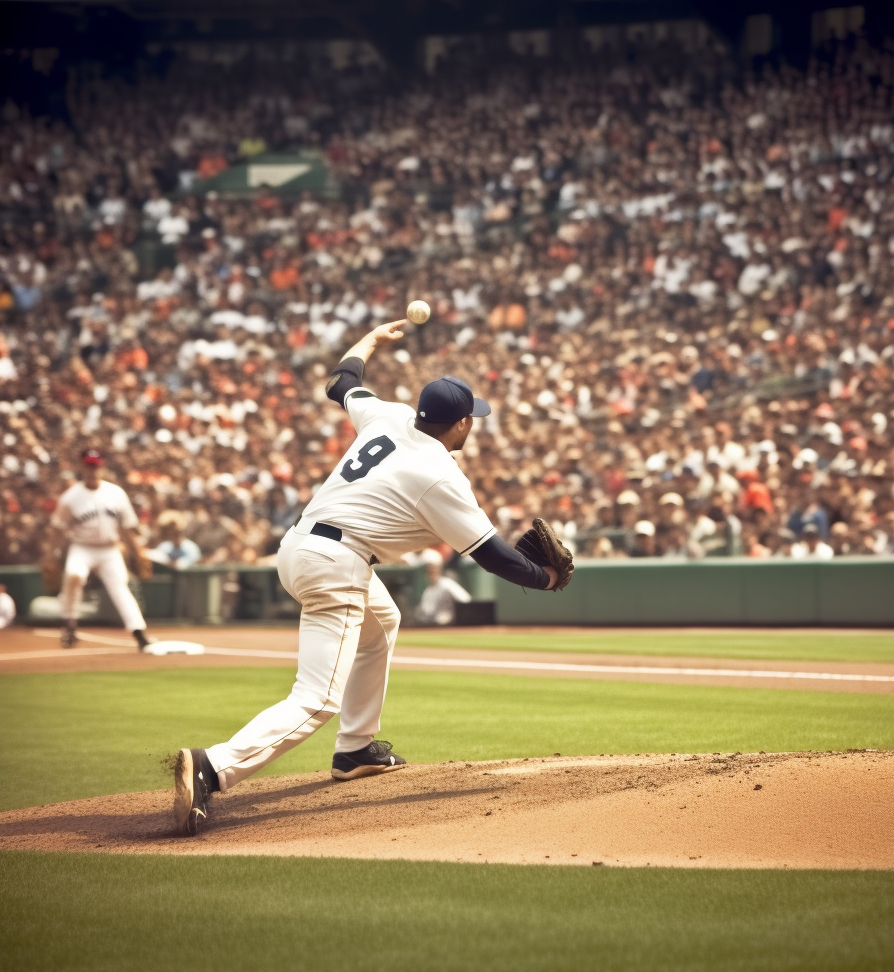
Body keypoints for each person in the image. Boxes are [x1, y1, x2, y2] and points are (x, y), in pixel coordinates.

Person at [172, 320, 563, 836]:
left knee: (382, 623)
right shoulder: (440, 475)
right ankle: (214, 766)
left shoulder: (389, 416)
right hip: (337, 563)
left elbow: (341, 378)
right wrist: (547, 580)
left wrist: (373, 339)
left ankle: (355, 748)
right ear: (462, 424)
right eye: (473, 419)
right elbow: (493, 556)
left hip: (299, 547)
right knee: (315, 699)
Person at [47, 450, 150, 650]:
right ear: (82, 467)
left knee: (120, 588)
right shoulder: (70, 497)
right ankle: (69, 625)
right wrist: (51, 555)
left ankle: (139, 632)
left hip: (109, 550)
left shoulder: (116, 493)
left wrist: (139, 551)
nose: (92, 469)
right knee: (74, 575)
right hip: (82, 548)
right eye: (88, 465)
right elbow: (57, 529)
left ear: (102, 467)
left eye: (95, 465)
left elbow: (128, 527)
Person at [415, 549, 472, 626]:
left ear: (439, 571)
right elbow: (425, 609)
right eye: (429, 572)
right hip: (431, 620)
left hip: (447, 618)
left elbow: (465, 599)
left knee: (440, 620)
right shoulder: (428, 589)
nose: (431, 574)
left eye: (434, 571)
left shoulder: (447, 584)